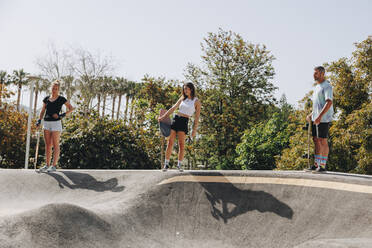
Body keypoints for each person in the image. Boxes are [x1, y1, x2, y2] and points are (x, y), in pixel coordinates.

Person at [158, 82, 201, 171]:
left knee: (181, 144)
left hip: (184, 122)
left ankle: (179, 165)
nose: (185, 91)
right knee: (170, 142)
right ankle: (166, 164)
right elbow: (173, 108)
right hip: (176, 119)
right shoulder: (182, 98)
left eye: (187, 89)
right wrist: (163, 117)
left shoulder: (196, 101)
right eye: (184, 89)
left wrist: (194, 130)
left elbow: (196, 118)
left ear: (191, 89)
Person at [36, 80, 74, 172]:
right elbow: (42, 111)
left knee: (56, 144)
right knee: (48, 145)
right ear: (51, 88)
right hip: (47, 123)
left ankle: (53, 166)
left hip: (56, 123)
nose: (54, 90)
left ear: (58, 89)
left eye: (56, 89)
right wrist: (39, 120)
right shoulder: (46, 99)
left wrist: (61, 116)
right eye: (53, 88)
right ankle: (47, 165)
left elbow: (71, 108)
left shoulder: (61, 99)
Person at [306, 66, 334, 172]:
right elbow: (318, 105)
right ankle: (316, 164)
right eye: (314, 73)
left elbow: (329, 102)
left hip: (324, 118)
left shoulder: (327, 86)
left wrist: (320, 116)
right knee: (316, 140)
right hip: (316, 118)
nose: (314, 75)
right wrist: (311, 114)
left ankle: (322, 165)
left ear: (322, 74)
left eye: (316, 73)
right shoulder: (317, 87)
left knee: (323, 140)